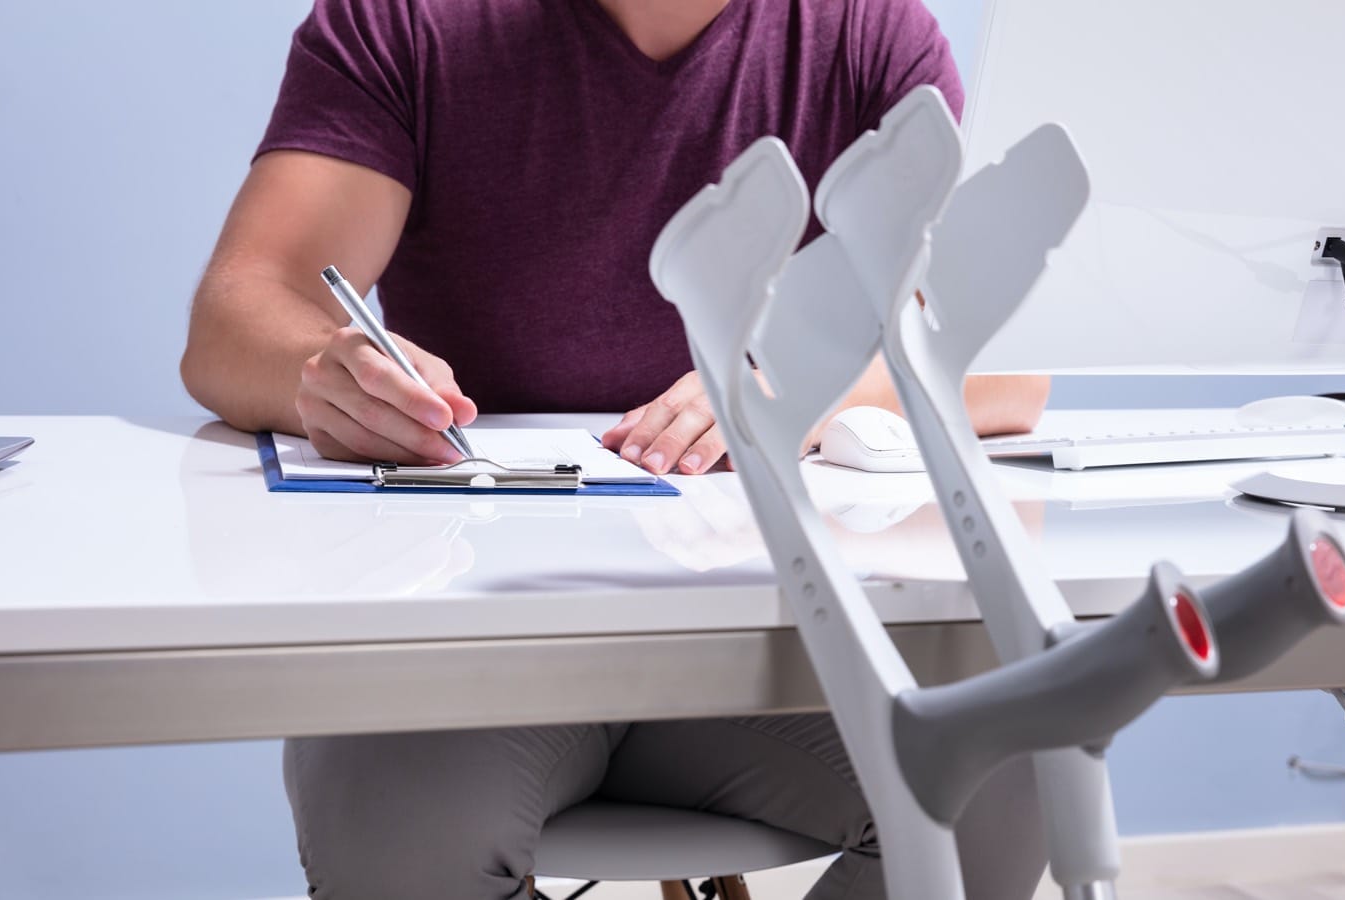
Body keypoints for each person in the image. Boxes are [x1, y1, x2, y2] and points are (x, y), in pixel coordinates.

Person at [182, 1, 1052, 897]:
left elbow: (1006, 356)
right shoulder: (404, 21)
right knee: (396, 833)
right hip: (465, 641)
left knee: (1013, 750)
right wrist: (319, 371)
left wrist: (807, 378)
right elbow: (239, 312)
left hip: (768, 640)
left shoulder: (865, 31)